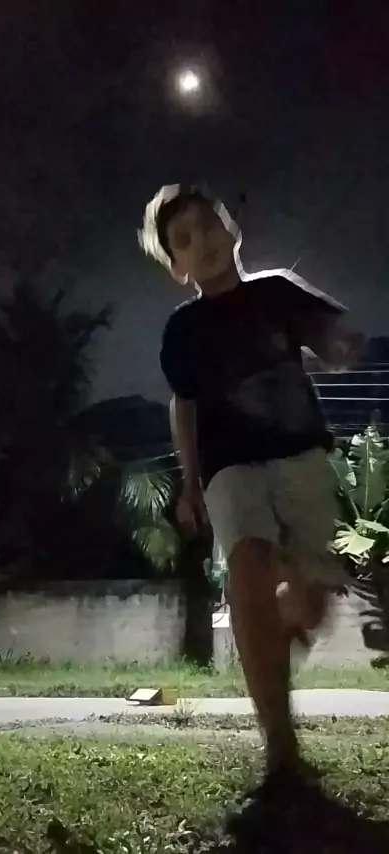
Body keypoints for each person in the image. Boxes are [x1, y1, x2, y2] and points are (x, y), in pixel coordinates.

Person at [139, 184, 363, 793]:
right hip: (229, 467)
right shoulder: (183, 330)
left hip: (302, 457)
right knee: (246, 565)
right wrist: (190, 482)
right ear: (177, 267)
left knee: (312, 603)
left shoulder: (278, 291)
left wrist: (341, 343)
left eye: (208, 224)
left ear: (232, 228)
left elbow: (334, 335)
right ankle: (279, 744)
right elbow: (185, 406)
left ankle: (286, 613)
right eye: (184, 240)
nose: (202, 241)